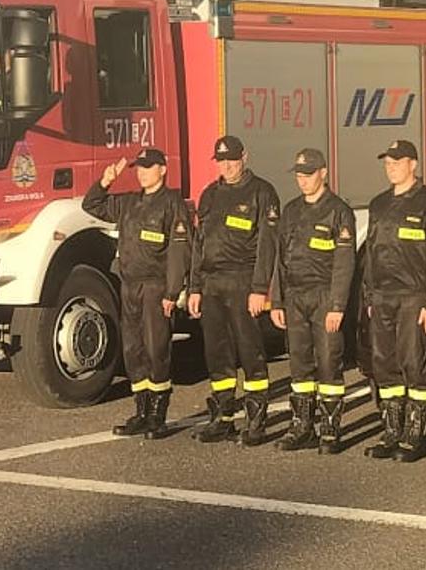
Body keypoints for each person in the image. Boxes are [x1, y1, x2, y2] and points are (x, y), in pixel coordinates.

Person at [83, 148, 193, 439]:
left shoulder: (172, 204)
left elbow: (179, 251)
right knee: (133, 351)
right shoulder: (129, 201)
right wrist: (105, 181)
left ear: (163, 169)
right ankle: (141, 412)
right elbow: (92, 205)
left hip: (156, 286)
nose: (142, 172)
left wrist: (172, 292)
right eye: (139, 168)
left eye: (148, 167)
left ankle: (158, 415)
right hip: (130, 285)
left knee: (157, 349)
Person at [188, 135, 283, 446]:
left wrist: (260, 289)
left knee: (250, 352)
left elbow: (268, 247)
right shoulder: (210, 195)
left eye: (232, 159)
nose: (226, 165)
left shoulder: (261, 193)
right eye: (221, 160)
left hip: (244, 281)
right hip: (212, 284)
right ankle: (224, 417)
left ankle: (257, 420)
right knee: (217, 354)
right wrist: (195, 287)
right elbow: (198, 246)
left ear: (245, 157)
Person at [361, 139, 426, 463]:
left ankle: (414, 435)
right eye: (387, 162)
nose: (391, 167)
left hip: (414, 297)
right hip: (383, 297)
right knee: (385, 365)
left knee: (414, 362)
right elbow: (371, 252)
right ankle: (391, 432)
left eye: (397, 162)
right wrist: (369, 294)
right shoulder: (378, 204)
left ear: (413, 164)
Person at [271, 148, 358, 454]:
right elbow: (279, 259)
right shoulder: (291, 210)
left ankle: (330, 430)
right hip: (294, 297)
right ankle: (302, 426)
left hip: (324, 296)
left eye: (308, 174)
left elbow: (344, 264)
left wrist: (337, 306)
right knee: (299, 365)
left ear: (323, 173)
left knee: (328, 363)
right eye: (299, 175)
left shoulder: (338, 211)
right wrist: (277, 301)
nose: (303, 180)